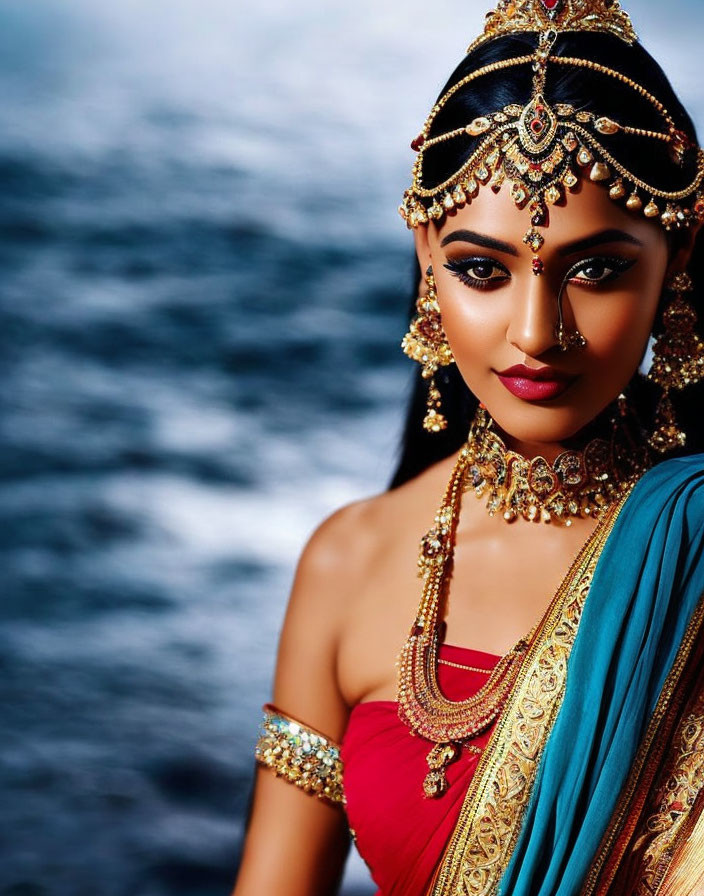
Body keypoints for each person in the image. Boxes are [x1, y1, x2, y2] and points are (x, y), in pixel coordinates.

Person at [232, 1, 704, 893]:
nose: (535, 332)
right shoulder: (351, 561)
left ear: (679, 254)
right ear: (424, 254)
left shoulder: (693, 542)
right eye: (482, 270)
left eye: (596, 269)